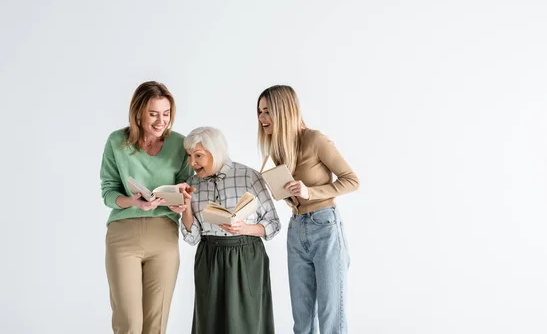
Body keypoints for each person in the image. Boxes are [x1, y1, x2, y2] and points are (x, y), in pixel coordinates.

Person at [256, 85, 360, 334]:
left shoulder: (315, 139)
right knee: (302, 318)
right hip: (296, 228)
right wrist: (283, 192)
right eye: (259, 112)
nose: (261, 119)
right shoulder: (279, 149)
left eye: (267, 111)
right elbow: (294, 194)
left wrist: (310, 192)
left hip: (325, 227)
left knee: (330, 314)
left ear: (284, 110)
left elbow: (351, 180)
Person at [100, 81, 194, 334]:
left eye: (166, 114)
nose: (160, 121)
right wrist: (133, 201)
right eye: (153, 114)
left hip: (163, 235)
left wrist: (180, 203)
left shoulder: (180, 144)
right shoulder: (116, 142)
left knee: (156, 323)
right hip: (123, 235)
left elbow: (184, 189)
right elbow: (108, 192)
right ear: (138, 113)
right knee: (129, 323)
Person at [178, 126, 281, 334]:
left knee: (248, 321)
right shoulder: (191, 183)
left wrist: (245, 228)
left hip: (247, 256)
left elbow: (273, 223)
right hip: (210, 256)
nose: (192, 163)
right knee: (210, 321)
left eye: (198, 156)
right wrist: (186, 206)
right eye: (189, 156)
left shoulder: (249, 176)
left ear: (215, 153)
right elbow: (192, 238)